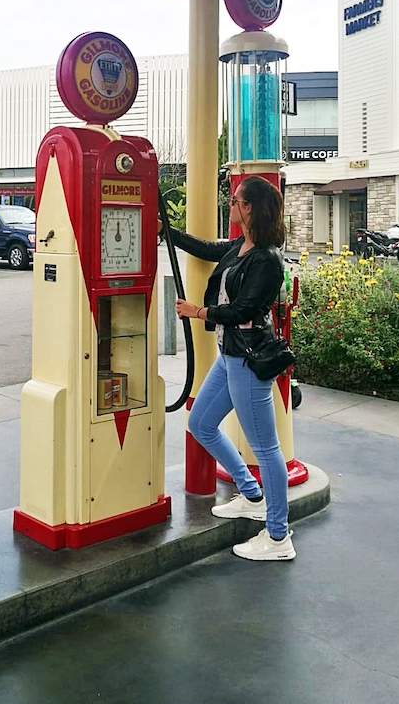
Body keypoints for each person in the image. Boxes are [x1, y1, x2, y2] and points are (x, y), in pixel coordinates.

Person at [165, 175, 295, 561]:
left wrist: (197, 311)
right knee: (201, 422)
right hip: (229, 353)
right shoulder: (242, 245)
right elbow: (207, 249)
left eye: (236, 199)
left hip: (248, 358)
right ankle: (252, 495)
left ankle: (277, 537)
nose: (232, 203)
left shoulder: (267, 259)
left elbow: (244, 311)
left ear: (250, 207)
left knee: (266, 449)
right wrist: (166, 231)